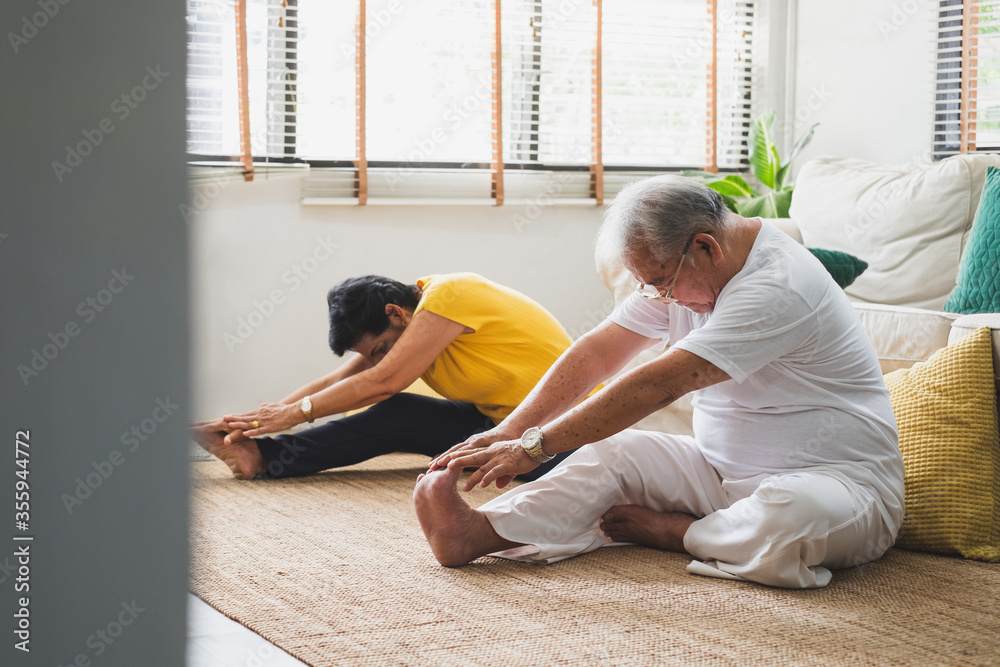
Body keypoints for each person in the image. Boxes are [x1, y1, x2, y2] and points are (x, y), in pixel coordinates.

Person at [415, 175, 905, 589]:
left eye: (660, 283)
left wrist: (534, 447)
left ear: (705, 247)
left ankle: (683, 534)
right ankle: (479, 532)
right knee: (613, 453)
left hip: (843, 489)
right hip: (717, 474)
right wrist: (510, 431)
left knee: (795, 514)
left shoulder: (779, 285)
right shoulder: (682, 272)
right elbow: (598, 353)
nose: (656, 297)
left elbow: (657, 385)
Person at [193, 272, 593, 481]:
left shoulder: (451, 296)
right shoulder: (415, 316)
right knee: (401, 413)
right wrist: (255, 424)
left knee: (576, 478)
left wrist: (297, 413)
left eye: (381, 349)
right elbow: (342, 380)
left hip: (568, 432)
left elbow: (383, 381)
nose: (379, 359)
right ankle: (261, 458)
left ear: (395, 314)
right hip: (499, 427)